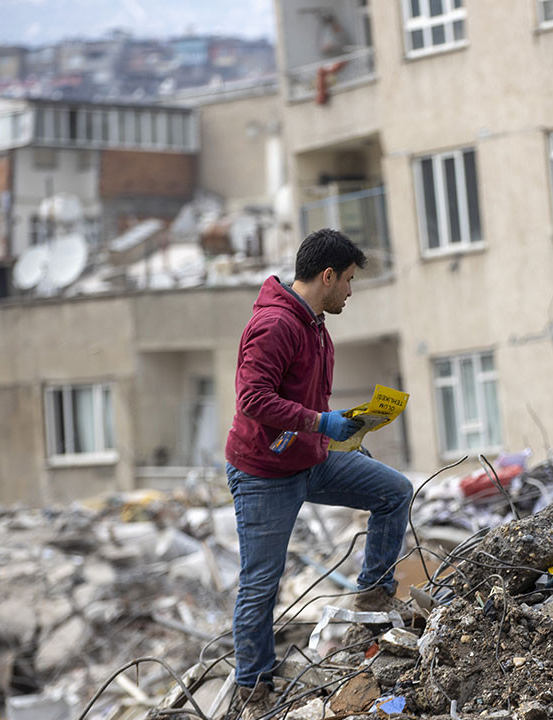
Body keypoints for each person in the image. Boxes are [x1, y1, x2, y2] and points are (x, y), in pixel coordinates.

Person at [223, 228, 413, 717]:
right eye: (348, 280)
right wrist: (319, 422)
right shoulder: (276, 325)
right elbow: (253, 399)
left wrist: (339, 432)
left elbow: (303, 401)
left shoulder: (313, 324)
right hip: (264, 472)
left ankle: (373, 598)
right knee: (261, 584)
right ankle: (253, 690)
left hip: (310, 457)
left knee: (394, 491)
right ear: (327, 276)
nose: (350, 291)